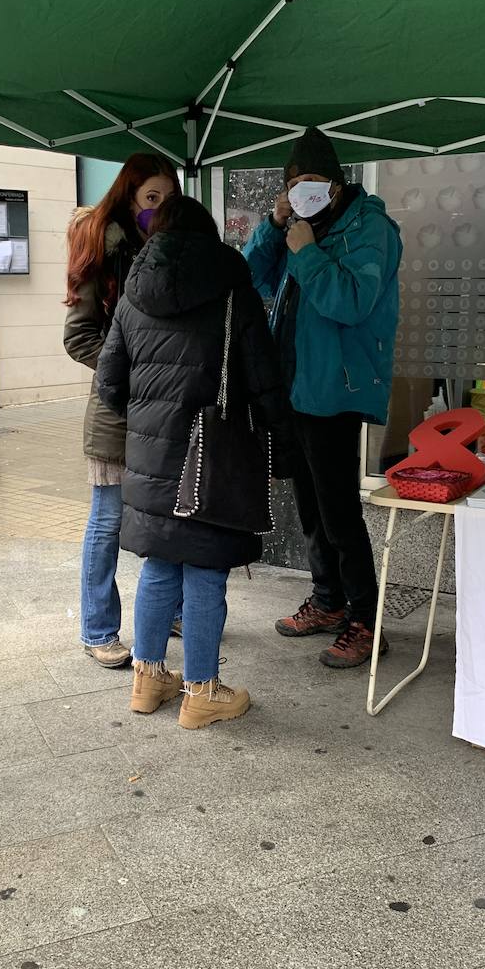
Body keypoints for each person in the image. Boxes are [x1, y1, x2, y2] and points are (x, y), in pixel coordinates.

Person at [96, 196, 288, 728]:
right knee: (204, 569)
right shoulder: (231, 288)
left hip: (149, 456)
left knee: (159, 566)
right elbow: (263, 376)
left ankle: (148, 679)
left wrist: (147, 417)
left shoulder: (134, 293)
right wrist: (284, 442)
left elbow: (108, 383)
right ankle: (202, 690)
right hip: (215, 456)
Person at [244, 127, 403, 669]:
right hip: (295, 386)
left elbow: (352, 302)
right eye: (293, 183)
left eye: (312, 180)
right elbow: (246, 278)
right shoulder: (298, 226)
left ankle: (366, 619)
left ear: (337, 184)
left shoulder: (370, 229)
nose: (302, 190)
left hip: (336, 389)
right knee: (311, 505)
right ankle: (329, 600)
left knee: (338, 510)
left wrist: (308, 254)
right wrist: (274, 225)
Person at [63, 153, 181, 669]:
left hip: (165, 413)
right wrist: (129, 375)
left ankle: (165, 608)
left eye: (167, 199)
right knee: (108, 520)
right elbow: (78, 337)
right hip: (116, 412)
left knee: (166, 514)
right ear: (129, 196)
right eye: (151, 197)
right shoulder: (103, 250)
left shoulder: (169, 250)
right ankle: (98, 628)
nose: (158, 208)